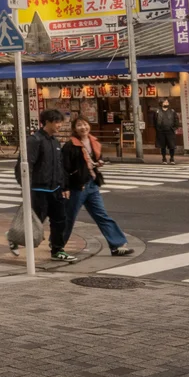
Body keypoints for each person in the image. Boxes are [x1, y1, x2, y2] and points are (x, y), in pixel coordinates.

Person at [62, 119, 134, 258]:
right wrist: (65, 187)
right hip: (77, 186)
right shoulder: (70, 145)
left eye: (85, 124)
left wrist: (98, 162)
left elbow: (96, 158)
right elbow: (64, 168)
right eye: (79, 125)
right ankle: (57, 245)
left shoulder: (94, 141)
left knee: (101, 215)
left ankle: (117, 245)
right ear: (74, 129)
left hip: (92, 184)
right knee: (68, 217)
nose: (83, 127)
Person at [24, 109, 74, 263]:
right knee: (36, 221)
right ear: (47, 122)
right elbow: (26, 165)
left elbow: (59, 166)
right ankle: (16, 237)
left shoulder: (55, 142)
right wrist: (26, 186)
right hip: (38, 189)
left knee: (60, 219)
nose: (60, 125)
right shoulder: (35, 140)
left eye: (60, 122)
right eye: (57, 122)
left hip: (55, 188)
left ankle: (58, 250)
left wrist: (64, 186)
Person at [152, 98, 180, 165]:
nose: (166, 103)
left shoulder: (172, 111)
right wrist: (157, 129)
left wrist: (174, 128)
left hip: (170, 131)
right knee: (162, 146)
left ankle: (172, 158)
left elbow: (176, 120)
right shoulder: (157, 111)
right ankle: (164, 158)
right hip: (161, 131)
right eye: (165, 102)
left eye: (167, 102)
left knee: (172, 146)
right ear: (161, 103)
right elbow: (154, 121)